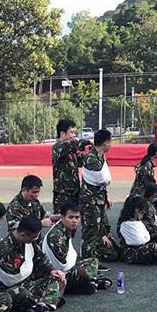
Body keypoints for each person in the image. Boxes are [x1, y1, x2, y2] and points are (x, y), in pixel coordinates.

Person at [0, 216, 66, 312]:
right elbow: (10, 280)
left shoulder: (28, 241)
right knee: (21, 293)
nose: (34, 240)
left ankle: (40, 304)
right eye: (33, 238)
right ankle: (48, 300)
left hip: (27, 283)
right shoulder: (5, 249)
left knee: (59, 278)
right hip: (9, 288)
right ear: (23, 235)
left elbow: (40, 257)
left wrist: (52, 270)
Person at [42, 200, 113, 294]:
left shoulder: (65, 229)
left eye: (77, 217)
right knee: (79, 271)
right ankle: (91, 282)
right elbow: (63, 266)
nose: (74, 221)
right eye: (71, 217)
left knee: (93, 260)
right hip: (57, 274)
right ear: (62, 217)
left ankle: (90, 282)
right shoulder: (56, 235)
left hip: (66, 270)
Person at [79, 128, 119, 268]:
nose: (111, 145)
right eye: (110, 142)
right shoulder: (92, 159)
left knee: (98, 228)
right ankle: (87, 262)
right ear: (105, 143)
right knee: (91, 230)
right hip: (90, 200)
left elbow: (101, 183)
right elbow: (103, 179)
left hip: (98, 198)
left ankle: (93, 259)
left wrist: (105, 197)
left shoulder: (100, 157)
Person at [117, 196, 157, 265]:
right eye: (142, 212)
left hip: (142, 245)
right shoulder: (125, 224)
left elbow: (148, 234)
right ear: (136, 209)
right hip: (131, 252)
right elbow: (138, 241)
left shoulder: (137, 221)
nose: (144, 214)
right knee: (154, 247)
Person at [51, 118, 91, 215]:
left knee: (74, 219)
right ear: (62, 133)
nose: (74, 135)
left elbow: (84, 161)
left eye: (75, 133)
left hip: (75, 192)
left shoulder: (72, 150)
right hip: (62, 194)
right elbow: (73, 145)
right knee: (61, 219)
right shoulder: (57, 147)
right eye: (71, 132)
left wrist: (92, 152)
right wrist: (88, 142)